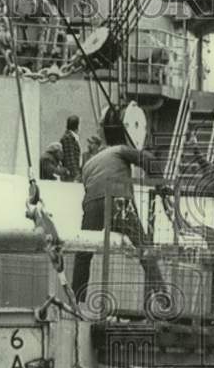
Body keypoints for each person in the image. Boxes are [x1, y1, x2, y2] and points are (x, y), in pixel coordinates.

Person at [70, 120, 164, 304]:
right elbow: (148, 159)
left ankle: (77, 301)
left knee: (84, 252)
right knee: (144, 247)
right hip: (118, 199)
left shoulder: (88, 164)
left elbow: (89, 188)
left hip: (91, 204)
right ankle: (163, 297)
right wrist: (159, 182)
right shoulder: (120, 150)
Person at [60, 114, 83, 181]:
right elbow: (70, 158)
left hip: (73, 174)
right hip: (71, 176)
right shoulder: (68, 138)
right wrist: (76, 175)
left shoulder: (72, 137)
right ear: (76, 126)